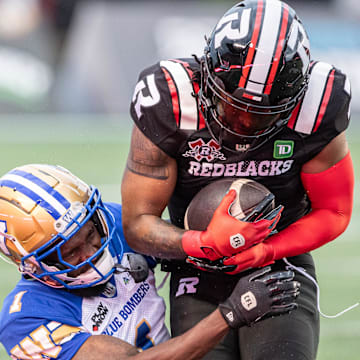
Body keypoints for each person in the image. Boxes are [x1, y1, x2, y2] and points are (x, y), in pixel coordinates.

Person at [121, 0, 354, 359]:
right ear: (208, 74)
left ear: (296, 97)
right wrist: (201, 243)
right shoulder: (169, 98)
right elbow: (137, 223)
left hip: (280, 255)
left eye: (261, 114)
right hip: (195, 263)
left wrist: (267, 249)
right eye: (234, 105)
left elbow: (334, 212)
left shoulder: (318, 105)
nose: (244, 122)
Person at [0, 164, 300, 360]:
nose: (91, 250)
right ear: (33, 265)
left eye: (91, 232)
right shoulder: (27, 320)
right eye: (70, 251)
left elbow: (187, 244)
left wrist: (223, 236)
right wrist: (231, 313)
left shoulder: (112, 223)